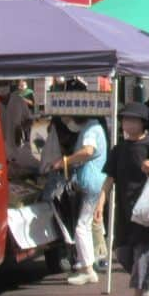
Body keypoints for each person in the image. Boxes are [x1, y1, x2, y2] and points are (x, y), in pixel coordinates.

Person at [97, 102, 149, 296]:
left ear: (142, 123)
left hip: (147, 210)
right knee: (122, 253)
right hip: (124, 209)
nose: (127, 123)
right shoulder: (118, 149)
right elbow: (110, 178)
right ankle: (146, 276)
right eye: (125, 119)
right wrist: (100, 202)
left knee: (142, 253)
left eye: (132, 120)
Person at [50, 116, 106, 285]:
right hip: (95, 182)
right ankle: (86, 264)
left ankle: (88, 269)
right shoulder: (95, 127)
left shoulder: (90, 129)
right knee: (86, 225)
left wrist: (65, 161)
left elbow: (88, 150)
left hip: (91, 182)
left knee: (81, 227)